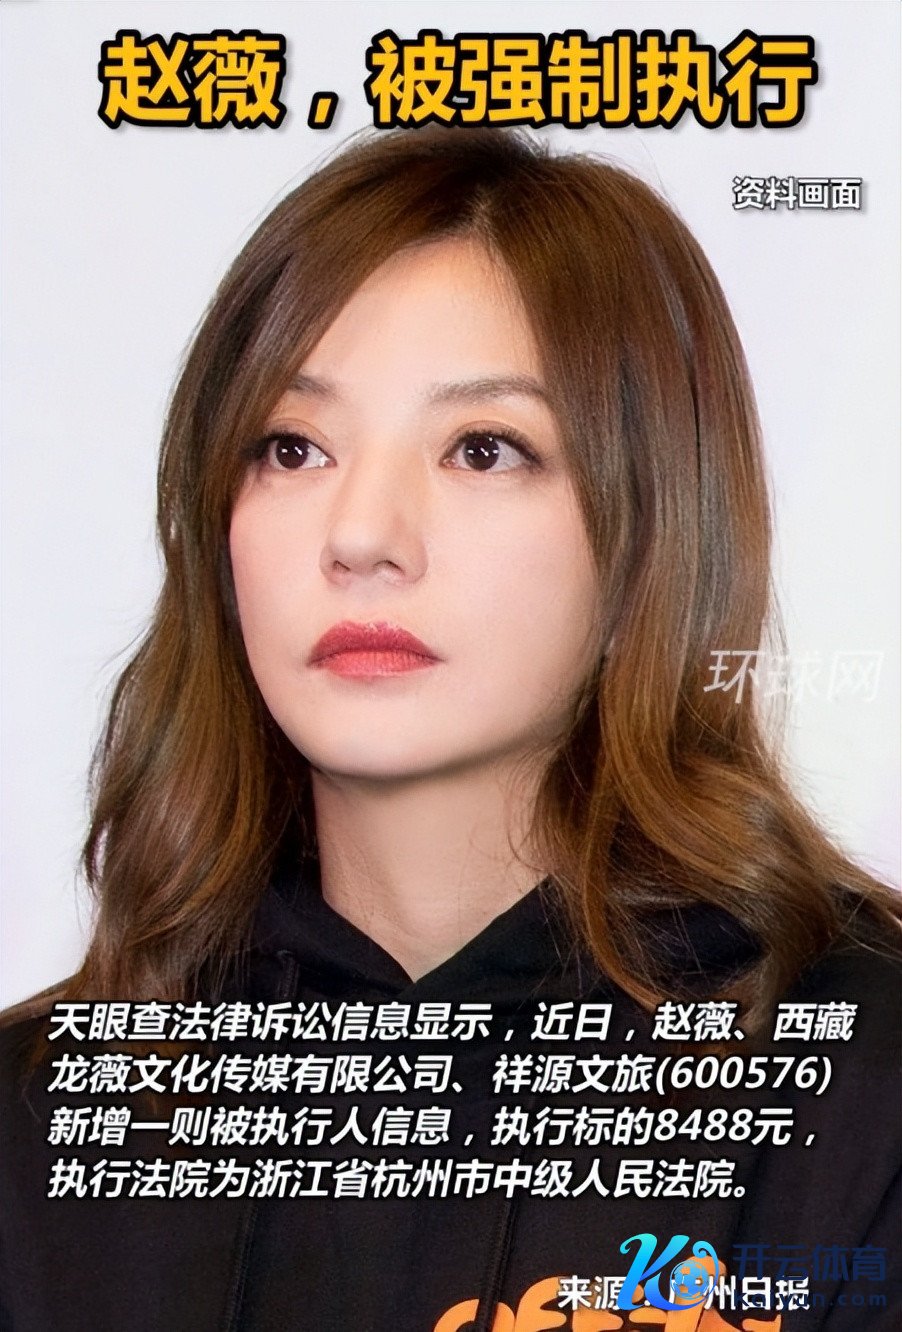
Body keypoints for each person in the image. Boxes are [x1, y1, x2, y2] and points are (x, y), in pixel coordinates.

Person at [1, 128, 899, 1332]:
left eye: (483, 450)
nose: (361, 535)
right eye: (292, 448)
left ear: (648, 528)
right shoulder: (42, 1118)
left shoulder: (857, 1083)